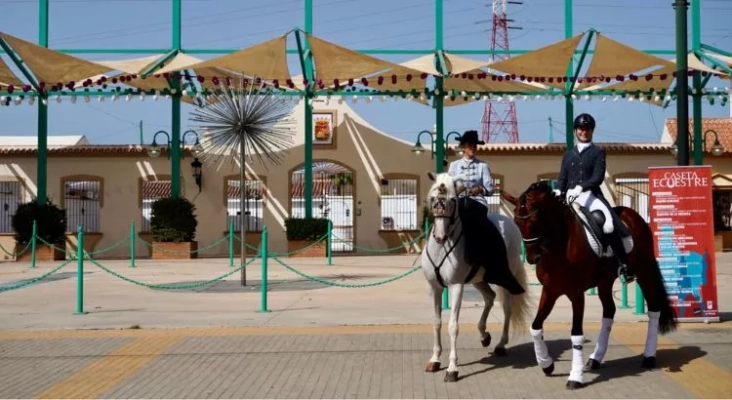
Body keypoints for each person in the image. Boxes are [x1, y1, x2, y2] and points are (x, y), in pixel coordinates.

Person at [556, 113, 636, 283]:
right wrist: (559, 191)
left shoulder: (598, 152)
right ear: (575, 131)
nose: (583, 132)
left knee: (607, 224)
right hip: (570, 196)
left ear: (591, 131)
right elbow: (562, 178)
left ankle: (624, 265)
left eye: (587, 129)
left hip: (590, 196)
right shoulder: (568, 154)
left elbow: (597, 177)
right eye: (581, 129)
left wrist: (581, 187)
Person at [447, 130, 524, 295]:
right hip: (459, 202)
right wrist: (456, 188)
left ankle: (490, 263)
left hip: (477, 202)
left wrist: (480, 188)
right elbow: (448, 187)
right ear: (464, 148)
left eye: (474, 145)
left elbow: (490, 189)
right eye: (469, 145)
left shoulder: (483, 166)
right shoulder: (453, 166)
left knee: (482, 225)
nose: (473, 148)